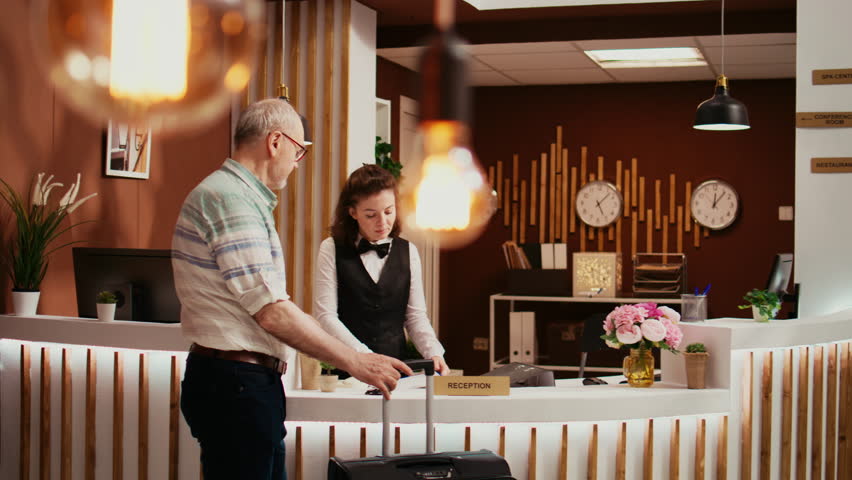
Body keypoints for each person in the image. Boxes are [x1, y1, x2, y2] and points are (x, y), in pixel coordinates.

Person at [171, 99, 412, 480]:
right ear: (275, 142)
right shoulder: (231, 199)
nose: (298, 162)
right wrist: (355, 361)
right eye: (299, 151)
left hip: (240, 382)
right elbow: (271, 310)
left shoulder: (238, 196)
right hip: (236, 384)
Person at [314, 164, 450, 376]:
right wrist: (364, 356)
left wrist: (433, 352)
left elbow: (415, 316)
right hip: (347, 369)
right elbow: (326, 316)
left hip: (396, 370)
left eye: (389, 211)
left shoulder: (408, 251)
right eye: (371, 215)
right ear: (352, 212)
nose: (383, 222)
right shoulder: (330, 248)